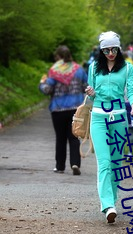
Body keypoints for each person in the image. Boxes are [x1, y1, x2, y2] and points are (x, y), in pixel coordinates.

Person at [85, 31, 133, 223]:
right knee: (104, 162)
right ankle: (108, 205)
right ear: (101, 50)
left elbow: (131, 90)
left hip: (119, 119)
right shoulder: (93, 68)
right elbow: (91, 97)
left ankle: (112, 200)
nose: (110, 53)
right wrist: (90, 92)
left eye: (114, 49)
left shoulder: (127, 68)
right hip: (98, 118)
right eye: (106, 50)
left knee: (116, 163)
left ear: (119, 48)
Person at [39, 45, 88, 175]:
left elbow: (47, 90)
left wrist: (42, 83)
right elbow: (86, 87)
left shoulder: (54, 71)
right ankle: (75, 163)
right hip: (75, 109)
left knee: (60, 138)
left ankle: (60, 166)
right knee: (74, 137)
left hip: (58, 109)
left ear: (58, 57)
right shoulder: (79, 70)